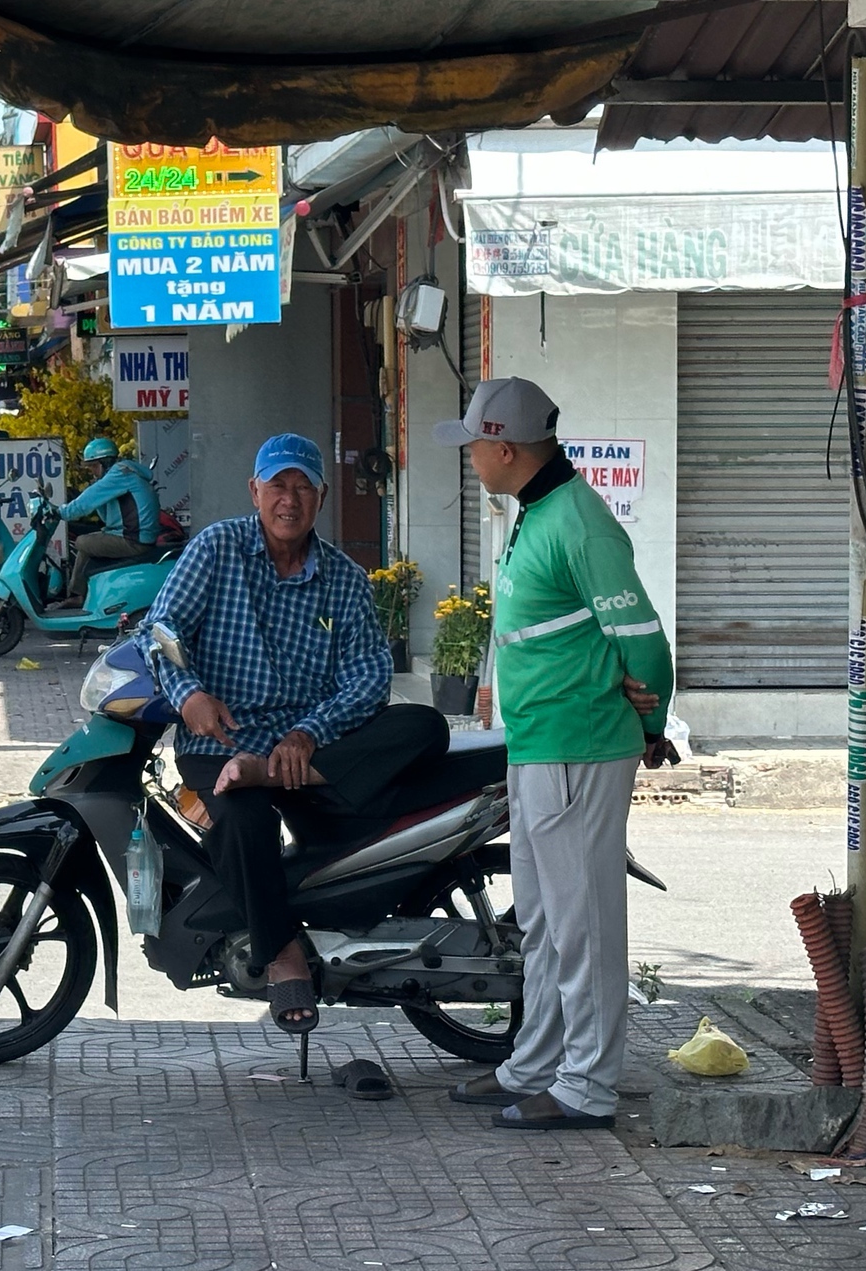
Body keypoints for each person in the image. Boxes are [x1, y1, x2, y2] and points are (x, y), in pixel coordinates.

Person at [433, 377, 674, 1131]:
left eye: (474, 443)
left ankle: (588, 1086)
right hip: (538, 744)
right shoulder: (534, 511)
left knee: (583, 924)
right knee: (541, 920)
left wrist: (652, 718)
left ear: (504, 447)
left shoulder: (579, 522)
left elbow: (642, 641)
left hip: (578, 746)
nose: (469, 456)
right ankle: (534, 1063)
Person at [145, 433, 443, 1036]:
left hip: (311, 748)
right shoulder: (217, 548)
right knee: (244, 820)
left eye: (302, 486)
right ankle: (280, 955)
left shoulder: (343, 578)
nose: (290, 499)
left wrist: (308, 733)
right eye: (277, 485)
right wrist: (190, 695)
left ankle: (288, 783)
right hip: (224, 744)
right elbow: (161, 629)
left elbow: (368, 676)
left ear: (321, 496)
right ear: (255, 491)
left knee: (425, 725)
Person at [51, 436, 161, 608]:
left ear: (105, 463)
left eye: (94, 466)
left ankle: (81, 595)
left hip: (133, 540)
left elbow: (83, 505)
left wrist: (60, 512)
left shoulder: (118, 474)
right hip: (135, 536)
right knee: (88, 545)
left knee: (81, 542)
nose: (93, 471)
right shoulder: (126, 471)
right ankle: (78, 595)